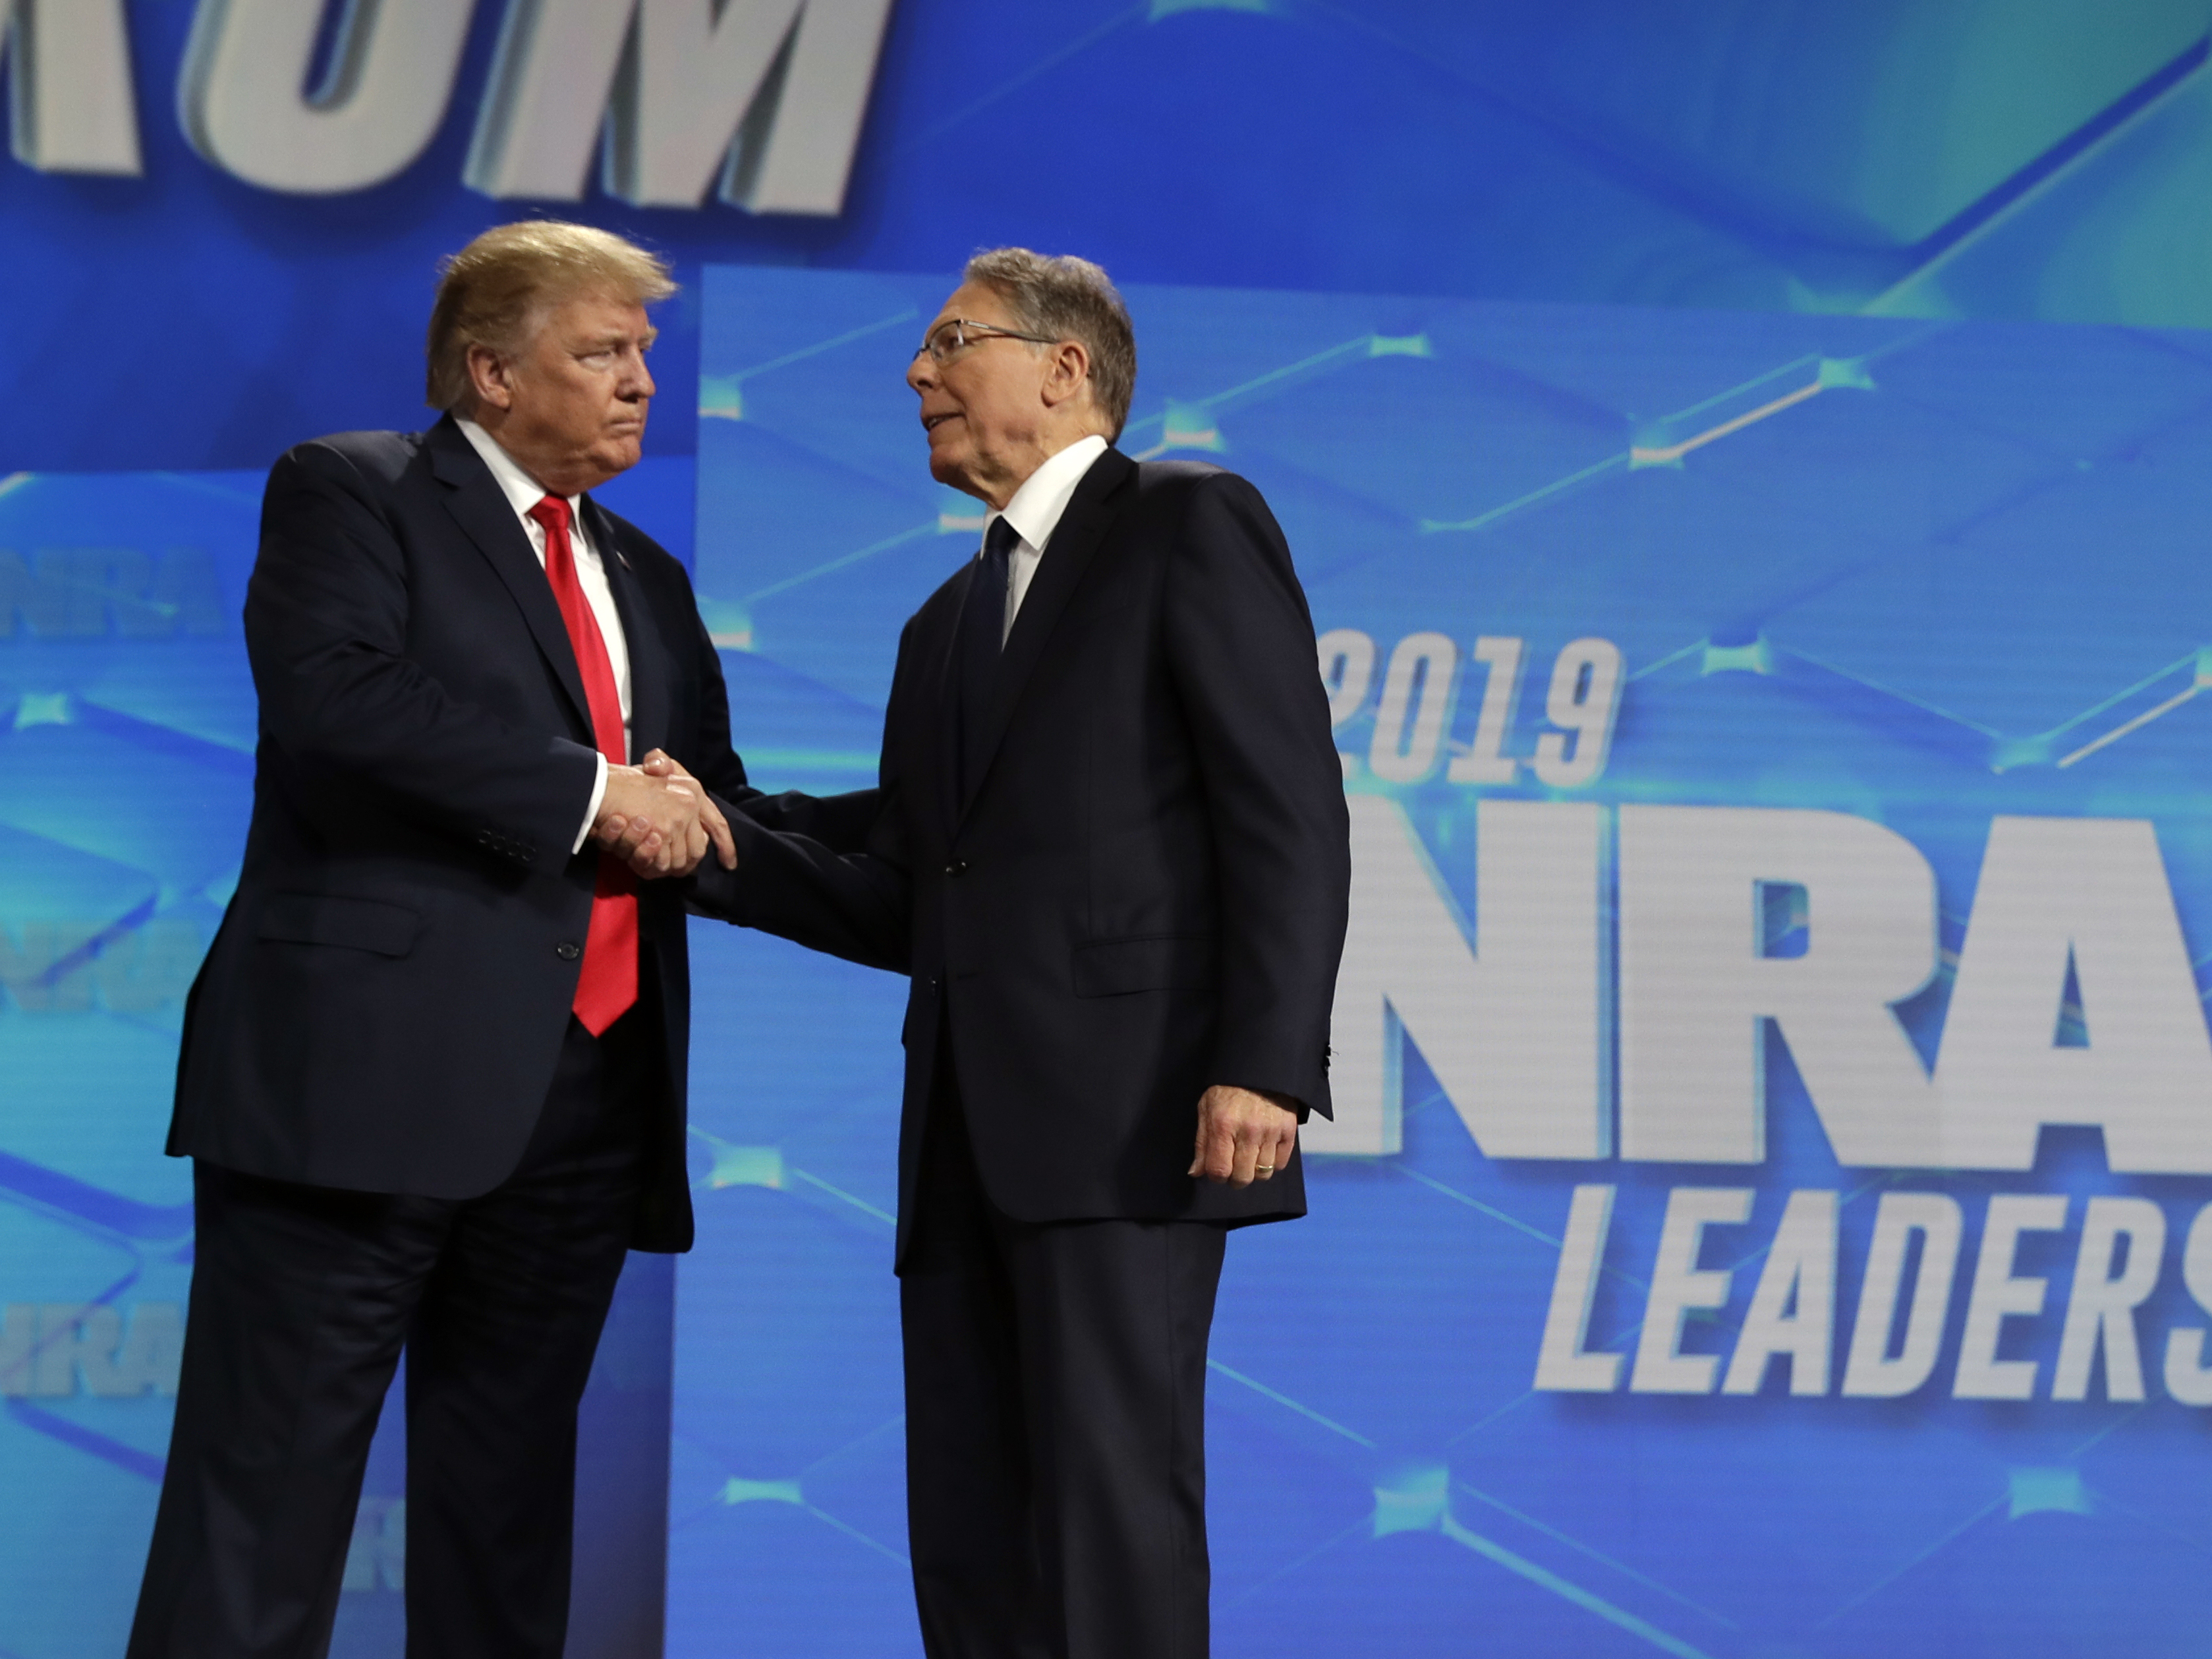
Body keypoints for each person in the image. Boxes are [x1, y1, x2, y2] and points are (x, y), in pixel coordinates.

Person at [128, 220, 858, 1659]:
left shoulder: (643, 569)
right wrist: (596, 794)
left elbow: (700, 809)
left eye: (646, 352)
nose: (642, 380)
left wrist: (954, 865)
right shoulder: (356, 490)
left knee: (506, 1514)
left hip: (584, 1097)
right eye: (602, 351)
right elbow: (342, 700)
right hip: (354, 1090)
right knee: (261, 1505)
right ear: (489, 371)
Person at [675, 248, 1351, 1658]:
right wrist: (709, 842)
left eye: (948, 342)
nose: (916, 375)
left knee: (1113, 1515)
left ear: (1064, 368)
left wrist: (1263, 1065)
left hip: (1135, 1112)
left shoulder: (1188, 519)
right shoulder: (944, 621)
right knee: (970, 1528)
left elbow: (1283, 808)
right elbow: (915, 880)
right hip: (963, 1133)